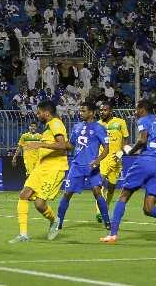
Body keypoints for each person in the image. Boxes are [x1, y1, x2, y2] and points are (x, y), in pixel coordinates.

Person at [100, 100, 156, 243]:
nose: (135, 112)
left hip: (147, 161)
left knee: (124, 195)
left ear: (142, 109)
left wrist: (131, 151)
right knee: (148, 208)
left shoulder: (144, 119)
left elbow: (142, 140)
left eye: (136, 109)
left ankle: (112, 234)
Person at [9, 101, 71, 244]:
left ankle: (54, 220)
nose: (38, 115)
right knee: (23, 195)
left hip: (54, 169)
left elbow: (63, 145)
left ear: (46, 113)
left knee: (39, 204)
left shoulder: (56, 123)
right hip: (41, 168)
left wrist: (40, 144)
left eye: (39, 112)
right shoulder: (49, 127)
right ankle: (23, 234)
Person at [52, 102, 111, 240]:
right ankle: (59, 222)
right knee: (67, 194)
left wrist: (97, 161)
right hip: (77, 166)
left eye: (83, 110)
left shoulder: (99, 128)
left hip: (92, 166)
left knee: (97, 192)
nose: (80, 113)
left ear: (91, 113)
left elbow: (107, 148)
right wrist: (56, 146)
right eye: (80, 110)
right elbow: (71, 145)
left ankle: (107, 221)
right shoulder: (77, 127)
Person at [96, 102, 129, 223]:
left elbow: (125, 138)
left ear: (110, 111)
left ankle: (106, 206)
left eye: (105, 110)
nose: (102, 112)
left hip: (116, 159)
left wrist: (121, 152)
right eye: (101, 110)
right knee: (98, 185)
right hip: (103, 157)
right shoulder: (98, 124)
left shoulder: (120, 122)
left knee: (111, 188)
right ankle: (99, 212)